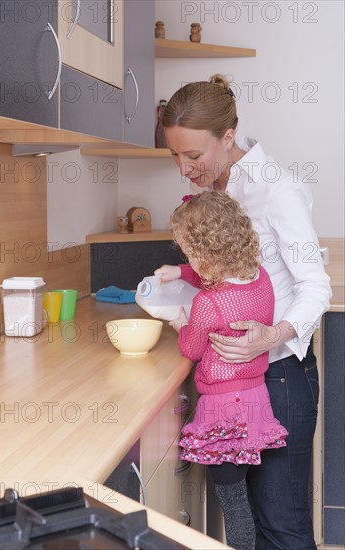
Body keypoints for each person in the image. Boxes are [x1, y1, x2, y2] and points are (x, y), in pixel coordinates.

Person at [159, 75, 332, 549]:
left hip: (279, 377)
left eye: (193, 156)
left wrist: (271, 335)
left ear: (228, 137)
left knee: (281, 526)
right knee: (245, 523)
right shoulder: (219, 190)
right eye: (175, 155)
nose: (183, 168)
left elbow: (316, 284)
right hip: (239, 383)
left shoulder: (277, 190)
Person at [156, 191, 288, 550]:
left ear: (206, 254)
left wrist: (179, 324)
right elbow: (218, 279)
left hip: (223, 413)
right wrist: (181, 272)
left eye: (188, 253)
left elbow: (192, 348)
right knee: (246, 493)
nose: (188, 259)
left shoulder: (207, 303)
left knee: (234, 504)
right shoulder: (260, 279)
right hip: (256, 403)